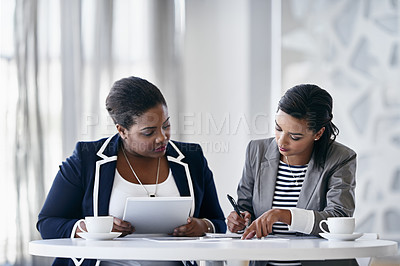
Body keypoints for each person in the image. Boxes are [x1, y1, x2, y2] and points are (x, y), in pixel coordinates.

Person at [37, 76, 226, 266]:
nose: (162, 137)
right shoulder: (87, 159)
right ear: (122, 131)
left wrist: (203, 226)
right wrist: (93, 228)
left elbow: (218, 222)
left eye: (166, 125)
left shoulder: (192, 159)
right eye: (148, 132)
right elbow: (47, 223)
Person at [227, 84, 357, 266]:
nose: (281, 141)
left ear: (318, 133)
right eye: (278, 128)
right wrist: (238, 220)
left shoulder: (340, 158)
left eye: (295, 136)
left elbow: (339, 218)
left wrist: (284, 215)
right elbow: (244, 208)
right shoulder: (256, 151)